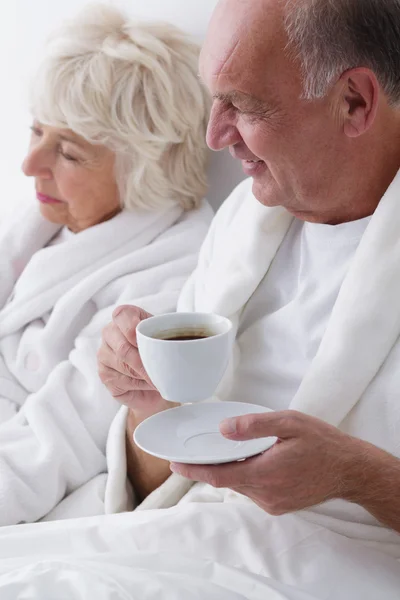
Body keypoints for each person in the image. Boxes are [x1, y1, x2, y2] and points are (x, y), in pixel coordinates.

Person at [98, 0, 400, 555]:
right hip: (190, 543)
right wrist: (150, 405)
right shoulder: (245, 219)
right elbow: (158, 483)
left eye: (243, 105)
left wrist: (355, 476)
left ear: (354, 101)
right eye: (215, 99)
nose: (214, 136)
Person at [0, 3, 213, 525]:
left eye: (68, 153)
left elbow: (49, 451)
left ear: (143, 171)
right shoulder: (46, 222)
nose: (30, 165)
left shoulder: (168, 282)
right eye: (35, 131)